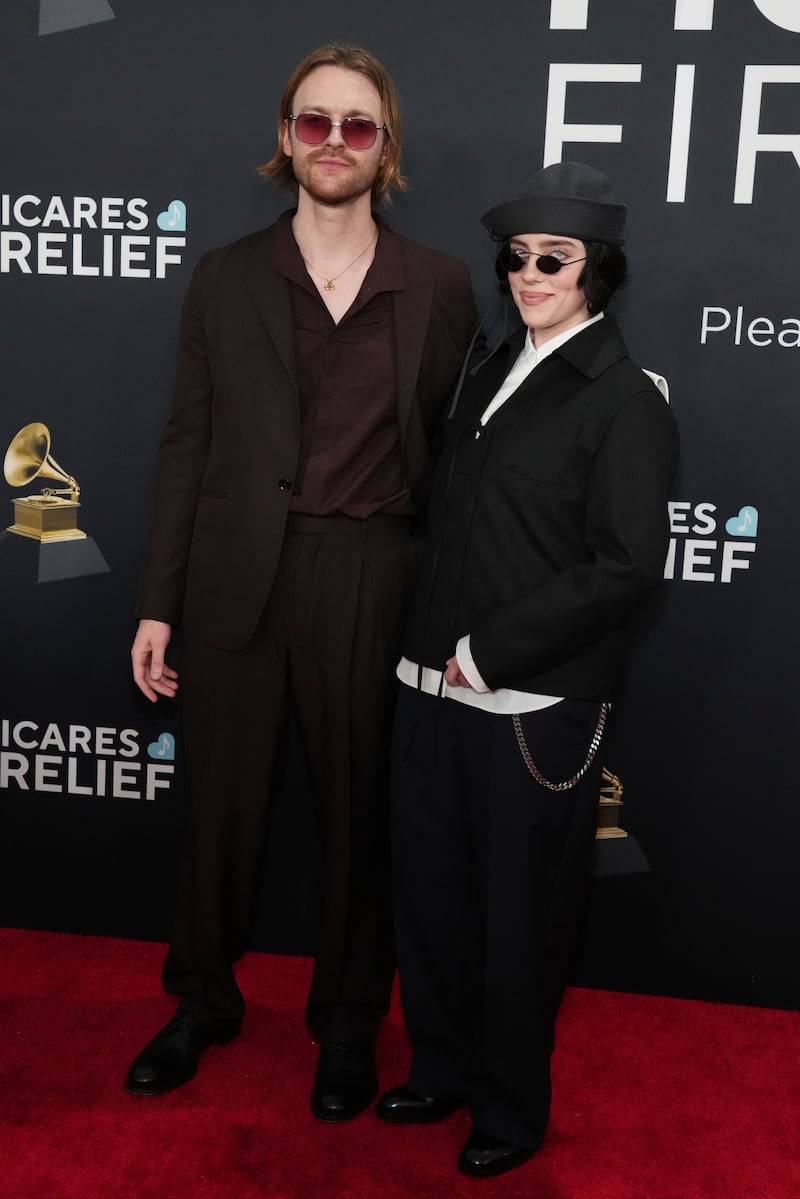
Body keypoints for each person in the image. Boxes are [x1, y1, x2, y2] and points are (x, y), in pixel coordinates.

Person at [124, 42, 476, 1122]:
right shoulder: (225, 275)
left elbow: (455, 456)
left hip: (369, 577)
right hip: (236, 577)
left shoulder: (443, 285)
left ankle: (344, 1024)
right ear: (286, 139)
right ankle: (200, 1001)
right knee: (219, 812)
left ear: (385, 148)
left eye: (356, 126)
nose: (333, 142)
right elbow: (188, 445)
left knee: (355, 817)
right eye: (313, 122)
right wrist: (156, 599)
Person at [375, 163, 679, 1176]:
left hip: (524, 708)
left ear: (600, 271)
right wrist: (427, 653)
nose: (530, 273)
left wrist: (487, 651)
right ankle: (441, 1066)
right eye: (517, 257)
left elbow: (627, 563)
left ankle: (506, 1106)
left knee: (517, 921)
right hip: (427, 691)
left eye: (555, 258)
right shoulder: (487, 363)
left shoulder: (625, 399)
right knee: (428, 898)